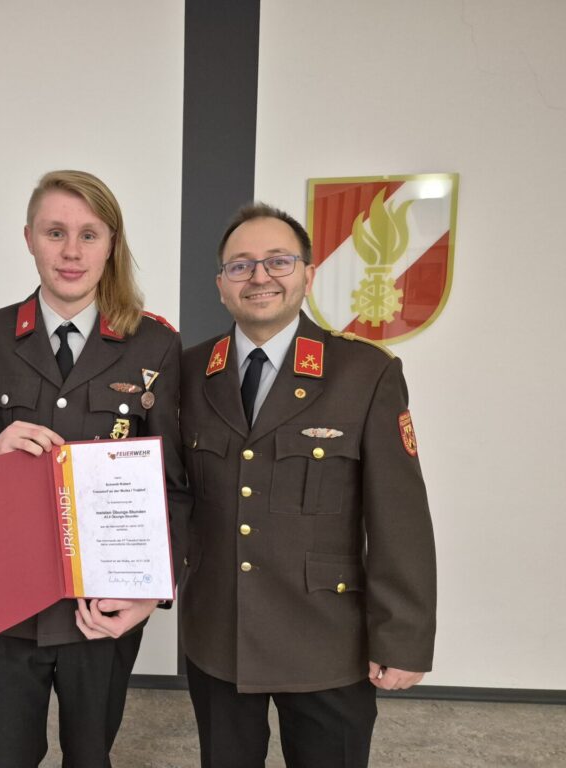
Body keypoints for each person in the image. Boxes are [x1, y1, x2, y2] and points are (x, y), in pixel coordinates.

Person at [0, 170, 190, 767]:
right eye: (55, 232)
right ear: (29, 238)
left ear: (111, 243)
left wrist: (152, 592)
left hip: (102, 605)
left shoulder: (154, 345)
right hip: (7, 596)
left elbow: (173, 484)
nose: (71, 251)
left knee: (90, 756)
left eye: (88, 235)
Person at [178, 203, 436, 768]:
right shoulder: (191, 372)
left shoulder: (365, 373)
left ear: (308, 275)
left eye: (278, 261)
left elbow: (399, 516)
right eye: (240, 265)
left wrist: (403, 637)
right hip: (219, 633)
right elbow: (174, 496)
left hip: (327, 640)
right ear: (221, 284)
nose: (260, 277)